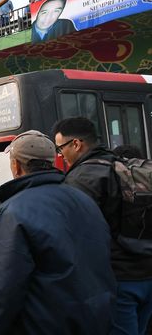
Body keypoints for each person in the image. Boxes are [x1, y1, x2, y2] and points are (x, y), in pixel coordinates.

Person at [0, 130, 116, 334]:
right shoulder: (84, 200)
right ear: (52, 162)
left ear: (16, 166)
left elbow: (0, 290)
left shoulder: (13, 211)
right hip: (96, 318)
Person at [53, 117, 152, 334]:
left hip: (118, 280)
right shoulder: (119, 164)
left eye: (61, 149)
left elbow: (77, 238)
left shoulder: (82, 178)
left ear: (76, 144)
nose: (61, 155)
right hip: (146, 272)